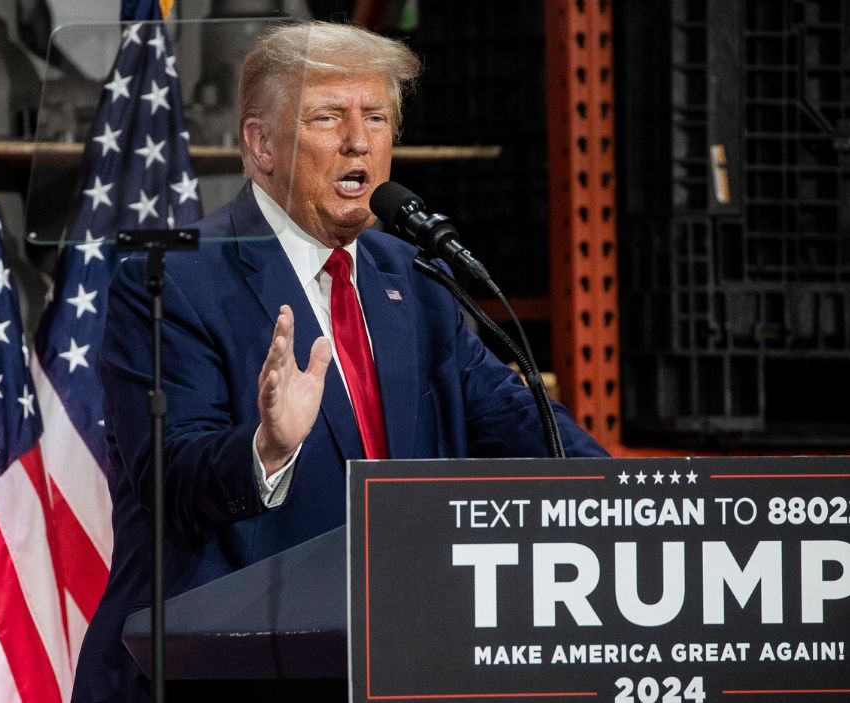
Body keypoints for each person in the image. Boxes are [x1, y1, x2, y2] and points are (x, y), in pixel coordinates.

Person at [71, 20, 607, 702]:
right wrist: (266, 447)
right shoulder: (175, 276)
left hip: (388, 664)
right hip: (224, 674)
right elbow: (170, 479)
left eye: (377, 117)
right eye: (329, 116)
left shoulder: (415, 275)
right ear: (261, 144)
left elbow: (516, 419)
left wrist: (638, 503)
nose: (360, 141)